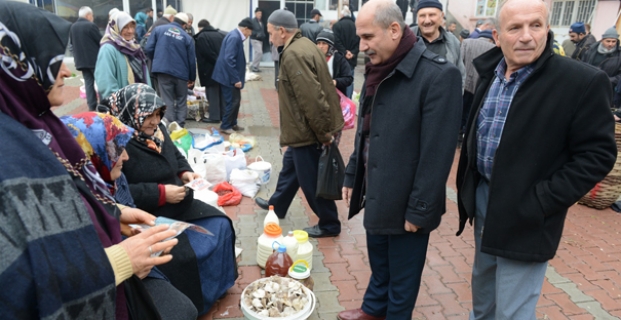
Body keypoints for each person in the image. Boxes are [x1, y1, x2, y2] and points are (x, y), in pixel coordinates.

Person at [0, 2, 179, 318]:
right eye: (52, 60)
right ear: (15, 63)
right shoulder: (10, 156)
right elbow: (19, 285)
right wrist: (119, 261)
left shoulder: (33, 127)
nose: (67, 70)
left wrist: (111, 213)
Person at [456, 0, 617, 319]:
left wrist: (541, 201)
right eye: (515, 27)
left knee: (513, 311)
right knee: (483, 297)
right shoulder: (491, 72)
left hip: (529, 211)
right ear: (498, 36)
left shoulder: (580, 81)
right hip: (486, 199)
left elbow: (598, 155)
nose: (526, 36)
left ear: (548, 30)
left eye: (536, 25)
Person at [338, 1, 462, 319]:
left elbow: (438, 153)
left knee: (403, 279)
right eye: (359, 38)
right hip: (376, 188)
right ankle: (373, 308)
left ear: (394, 30)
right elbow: (366, 127)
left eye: (367, 37)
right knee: (380, 262)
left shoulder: (438, 76)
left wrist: (420, 208)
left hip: (408, 199)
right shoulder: (377, 68)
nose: (362, 46)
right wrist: (353, 173)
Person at [106, 83, 238, 315]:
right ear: (132, 114)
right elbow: (124, 193)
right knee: (181, 256)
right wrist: (161, 193)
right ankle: (197, 303)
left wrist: (185, 172)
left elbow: (175, 154)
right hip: (151, 213)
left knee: (221, 223)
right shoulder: (119, 143)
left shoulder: (158, 131)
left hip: (179, 201)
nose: (155, 121)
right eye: (149, 116)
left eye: (158, 115)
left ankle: (217, 287)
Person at [61, 112, 198, 320]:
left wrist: (125, 220)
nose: (126, 157)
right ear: (90, 153)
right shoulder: (65, 203)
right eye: (117, 149)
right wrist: (126, 265)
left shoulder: (110, 180)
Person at [254, 9, 344, 238]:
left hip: (308, 131)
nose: (270, 38)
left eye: (271, 33)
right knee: (290, 169)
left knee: (311, 180)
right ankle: (278, 205)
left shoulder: (294, 53)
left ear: (282, 31)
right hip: (303, 129)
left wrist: (324, 133)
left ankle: (330, 223)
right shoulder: (303, 45)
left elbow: (311, 99)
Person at [145, 12, 196, 128]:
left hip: (163, 72)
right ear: (184, 25)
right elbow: (192, 60)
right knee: (181, 100)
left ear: (173, 19)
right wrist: (192, 78)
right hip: (181, 73)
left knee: (166, 98)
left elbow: (148, 48)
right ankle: (180, 126)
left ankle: (170, 125)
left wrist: (157, 60)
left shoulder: (158, 30)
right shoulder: (187, 38)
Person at [95, 11, 151, 100]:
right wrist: (120, 104)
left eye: (132, 27)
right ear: (116, 28)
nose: (130, 31)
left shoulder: (134, 45)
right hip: (122, 105)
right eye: (125, 27)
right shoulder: (108, 49)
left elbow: (144, 73)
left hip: (139, 100)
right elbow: (106, 83)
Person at [212, 18, 254, 134]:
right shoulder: (234, 37)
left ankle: (232, 123)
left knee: (236, 101)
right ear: (245, 29)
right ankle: (225, 125)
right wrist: (235, 79)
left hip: (228, 76)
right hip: (228, 77)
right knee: (231, 102)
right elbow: (229, 59)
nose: (249, 35)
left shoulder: (234, 35)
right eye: (250, 32)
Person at [411, 0, 466, 87]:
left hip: (443, 98)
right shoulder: (406, 39)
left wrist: (455, 98)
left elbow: (460, 75)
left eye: (432, 15)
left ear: (442, 16)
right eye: (422, 16)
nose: (427, 21)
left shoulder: (452, 42)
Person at [460, 29, 495, 140]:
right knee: (472, 113)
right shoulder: (494, 48)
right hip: (481, 88)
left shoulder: (467, 42)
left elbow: (460, 62)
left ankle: (458, 134)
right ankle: (466, 134)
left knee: (461, 110)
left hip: (465, 85)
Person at [70, 6, 101, 111]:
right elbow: (100, 41)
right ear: (88, 15)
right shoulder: (91, 26)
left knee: (88, 83)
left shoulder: (73, 27)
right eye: (92, 15)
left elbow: (72, 45)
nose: (93, 18)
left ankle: (91, 106)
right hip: (94, 61)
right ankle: (103, 104)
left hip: (81, 61)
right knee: (100, 82)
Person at [195, 19, 227, 124]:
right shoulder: (221, 35)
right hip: (222, 69)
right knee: (221, 93)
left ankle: (214, 116)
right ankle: (223, 115)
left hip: (209, 70)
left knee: (212, 93)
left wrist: (215, 61)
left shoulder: (202, 37)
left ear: (201, 28)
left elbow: (206, 53)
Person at [582, 27, 621, 110]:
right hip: (589, 88)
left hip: (608, 91)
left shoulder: (619, 55)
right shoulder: (591, 51)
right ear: (602, 40)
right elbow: (582, 66)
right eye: (608, 41)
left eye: (614, 41)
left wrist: (607, 80)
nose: (611, 44)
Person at [333, 7, 360, 98]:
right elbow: (359, 42)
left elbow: (336, 41)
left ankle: (342, 100)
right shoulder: (356, 26)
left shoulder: (337, 25)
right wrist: (352, 53)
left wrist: (344, 52)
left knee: (341, 78)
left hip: (341, 57)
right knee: (350, 78)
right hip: (352, 58)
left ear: (342, 15)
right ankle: (349, 99)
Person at [316, 30, 353, 94]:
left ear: (330, 46)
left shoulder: (339, 59)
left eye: (324, 43)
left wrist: (335, 82)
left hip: (335, 96)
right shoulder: (313, 58)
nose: (320, 46)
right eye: (318, 43)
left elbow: (348, 78)